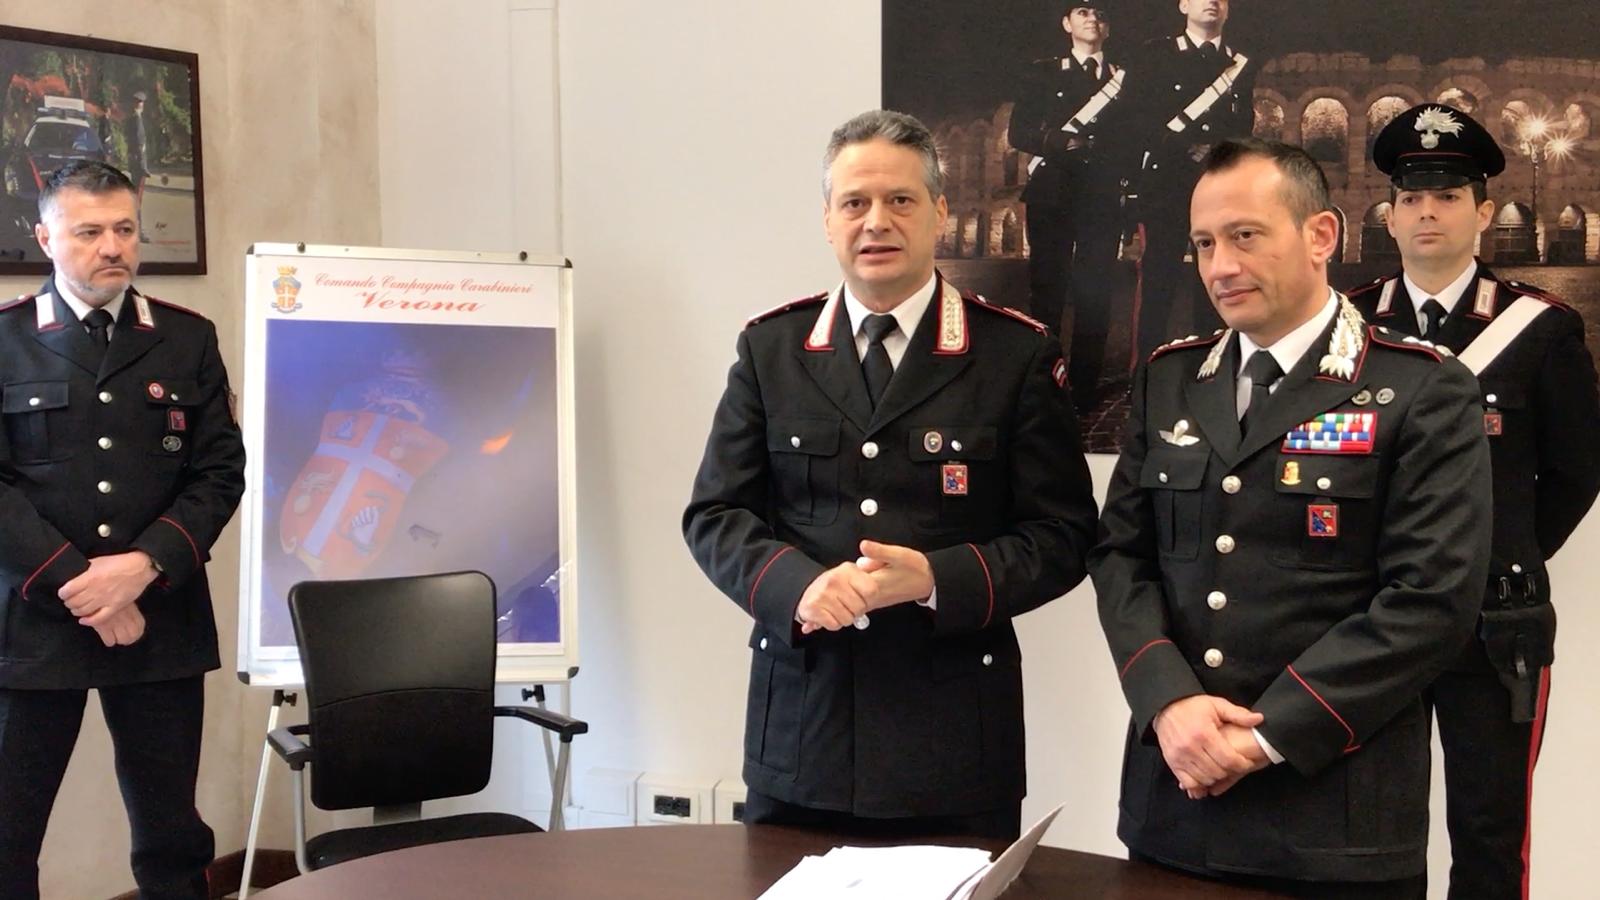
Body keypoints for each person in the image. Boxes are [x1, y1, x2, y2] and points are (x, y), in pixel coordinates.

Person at [1090, 138, 1492, 898]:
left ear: (1321, 235)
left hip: (1335, 820)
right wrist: (1167, 701)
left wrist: (1265, 737)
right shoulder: (1171, 378)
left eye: (1245, 235)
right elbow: (1121, 557)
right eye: (1204, 244)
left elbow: (1432, 601)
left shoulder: (1420, 387)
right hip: (1174, 799)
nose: (1220, 266)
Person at [683, 109, 1098, 841]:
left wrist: (936, 578)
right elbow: (715, 516)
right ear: (828, 221)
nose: (876, 221)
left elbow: (1062, 536)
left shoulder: (1014, 356)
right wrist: (797, 585)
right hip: (801, 733)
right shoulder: (771, 350)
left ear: (940, 212)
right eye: (855, 202)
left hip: (954, 742)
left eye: (900, 199)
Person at [1348, 104, 1600, 899]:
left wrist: (1497, 551)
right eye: (1412, 197)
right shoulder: (1346, 326)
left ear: (1483, 213)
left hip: (1494, 627)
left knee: (1490, 838)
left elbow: (1576, 473)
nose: (1428, 211)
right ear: (1391, 216)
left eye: (1449, 196)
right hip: (1367, 616)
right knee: (1365, 835)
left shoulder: (1542, 330)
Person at [0, 160, 245, 899]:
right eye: (88, 232)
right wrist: (82, 584)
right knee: (7, 834)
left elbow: (219, 471)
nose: (111, 247)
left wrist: (143, 567)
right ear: (45, 237)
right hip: (34, 623)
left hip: (158, 618)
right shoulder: (6, 338)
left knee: (173, 838)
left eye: (124, 229)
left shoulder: (185, 338)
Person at [1116, 0, 1257, 364]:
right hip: (1167, 184)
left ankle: (1210, 368)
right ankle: (1146, 371)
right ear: (1183, 6)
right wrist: (1182, 147)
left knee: (1216, 279)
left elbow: (1243, 123)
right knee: (1158, 282)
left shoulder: (1240, 63)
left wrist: (1217, 151)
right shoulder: (1155, 55)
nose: (1212, 2)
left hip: (1216, 187)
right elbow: (1133, 116)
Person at [1008, 3, 1124, 413]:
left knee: (1096, 292)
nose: (1092, 19)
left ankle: (1085, 385)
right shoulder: (1042, 72)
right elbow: (1018, 132)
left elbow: (1134, 137)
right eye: (1083, 11)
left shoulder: (1123, 79)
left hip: (1101, 196)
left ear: (1108, 28)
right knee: (1048, 289)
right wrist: (1060, 142)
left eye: (1100, 14)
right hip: (1052, 193)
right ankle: (1044, 379)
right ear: (1067, 23)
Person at [126, 91, 150, 243]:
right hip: (138, 165)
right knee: (138, 199)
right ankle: (138, 230)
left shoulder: (130, 120)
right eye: (140, 102)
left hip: (133, 163)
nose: (141, 105)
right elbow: (140, 145)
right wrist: (143, 167)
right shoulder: (137, 120)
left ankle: (134, 228)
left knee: (136, 197)